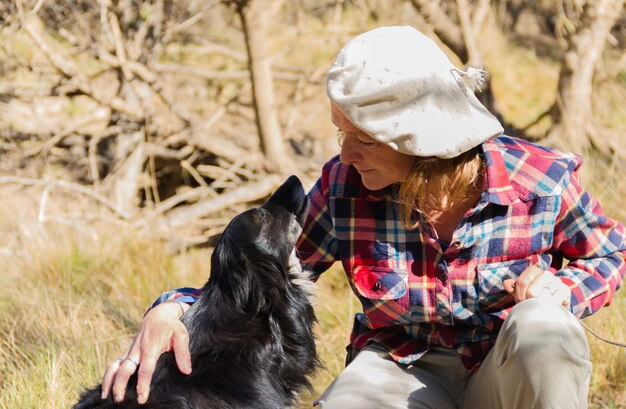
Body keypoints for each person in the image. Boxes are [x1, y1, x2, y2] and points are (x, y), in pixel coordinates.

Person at [100, 26, 626, 409]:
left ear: (425, 143)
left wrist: (565, 290)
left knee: (544, 328)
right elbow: (261, 276)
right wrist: (172, 311)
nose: (345, 155)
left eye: (364, 140)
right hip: (401, 368)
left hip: (508, 372)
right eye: (340, 133)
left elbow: (610, 252)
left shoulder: (543, 179)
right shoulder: (343, 188)